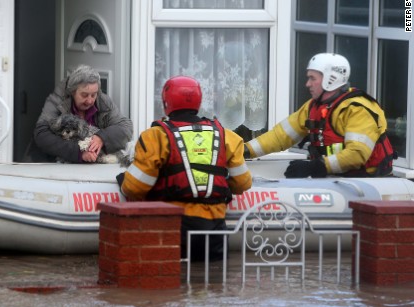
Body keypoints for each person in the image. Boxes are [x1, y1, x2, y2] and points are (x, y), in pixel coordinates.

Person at [118, 76, 252, 262]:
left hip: (174, 230)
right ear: (198, 101)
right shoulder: (226, 135)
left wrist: (123, 180)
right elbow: (243, 183)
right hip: (216, 232)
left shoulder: (156, 136)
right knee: (213, 284)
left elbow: (134, 188)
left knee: (174, 285)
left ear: (166, 102)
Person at [245, 52, 396, 178]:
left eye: (312, 78)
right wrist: (245, 151)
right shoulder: (313, 106)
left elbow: (356, 155)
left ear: (331, 79)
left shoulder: (357, 109)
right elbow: (280, 137)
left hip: (366, 182)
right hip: (334, 179)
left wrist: (315, 166)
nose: (307, 84)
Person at [28, 64, 133, 163]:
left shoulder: (103, 101)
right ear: (73, 92)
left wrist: (102, 138)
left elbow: (126, 126)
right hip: (53, 163)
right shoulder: (57, 99)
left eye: (93, 95)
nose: (90, 101)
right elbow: (41, 134)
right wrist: (78, 152)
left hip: (95, 165)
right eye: (84, 95)